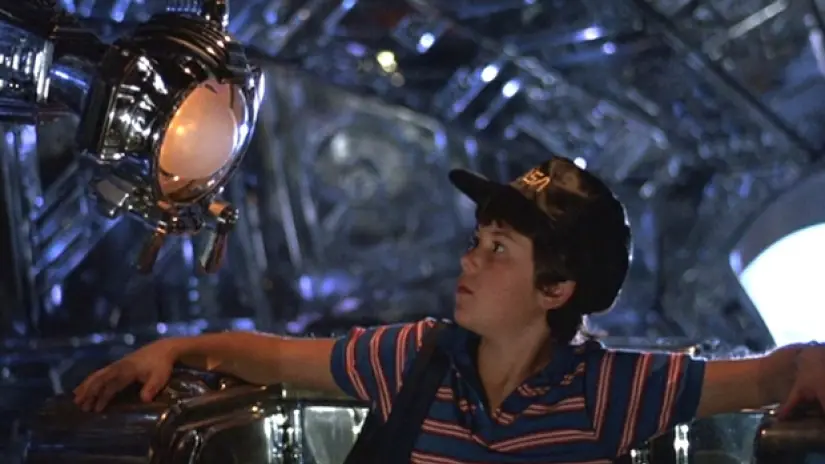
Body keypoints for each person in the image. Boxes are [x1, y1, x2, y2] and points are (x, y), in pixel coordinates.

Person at [74, 156, 825, 463]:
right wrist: (176, 349)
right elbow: (273, 357)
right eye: (476, 241)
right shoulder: (413, 358)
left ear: (556, 290)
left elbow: (772, 374)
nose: (469, 260)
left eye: (499, 250)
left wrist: (812, 362)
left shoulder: (606, 391)